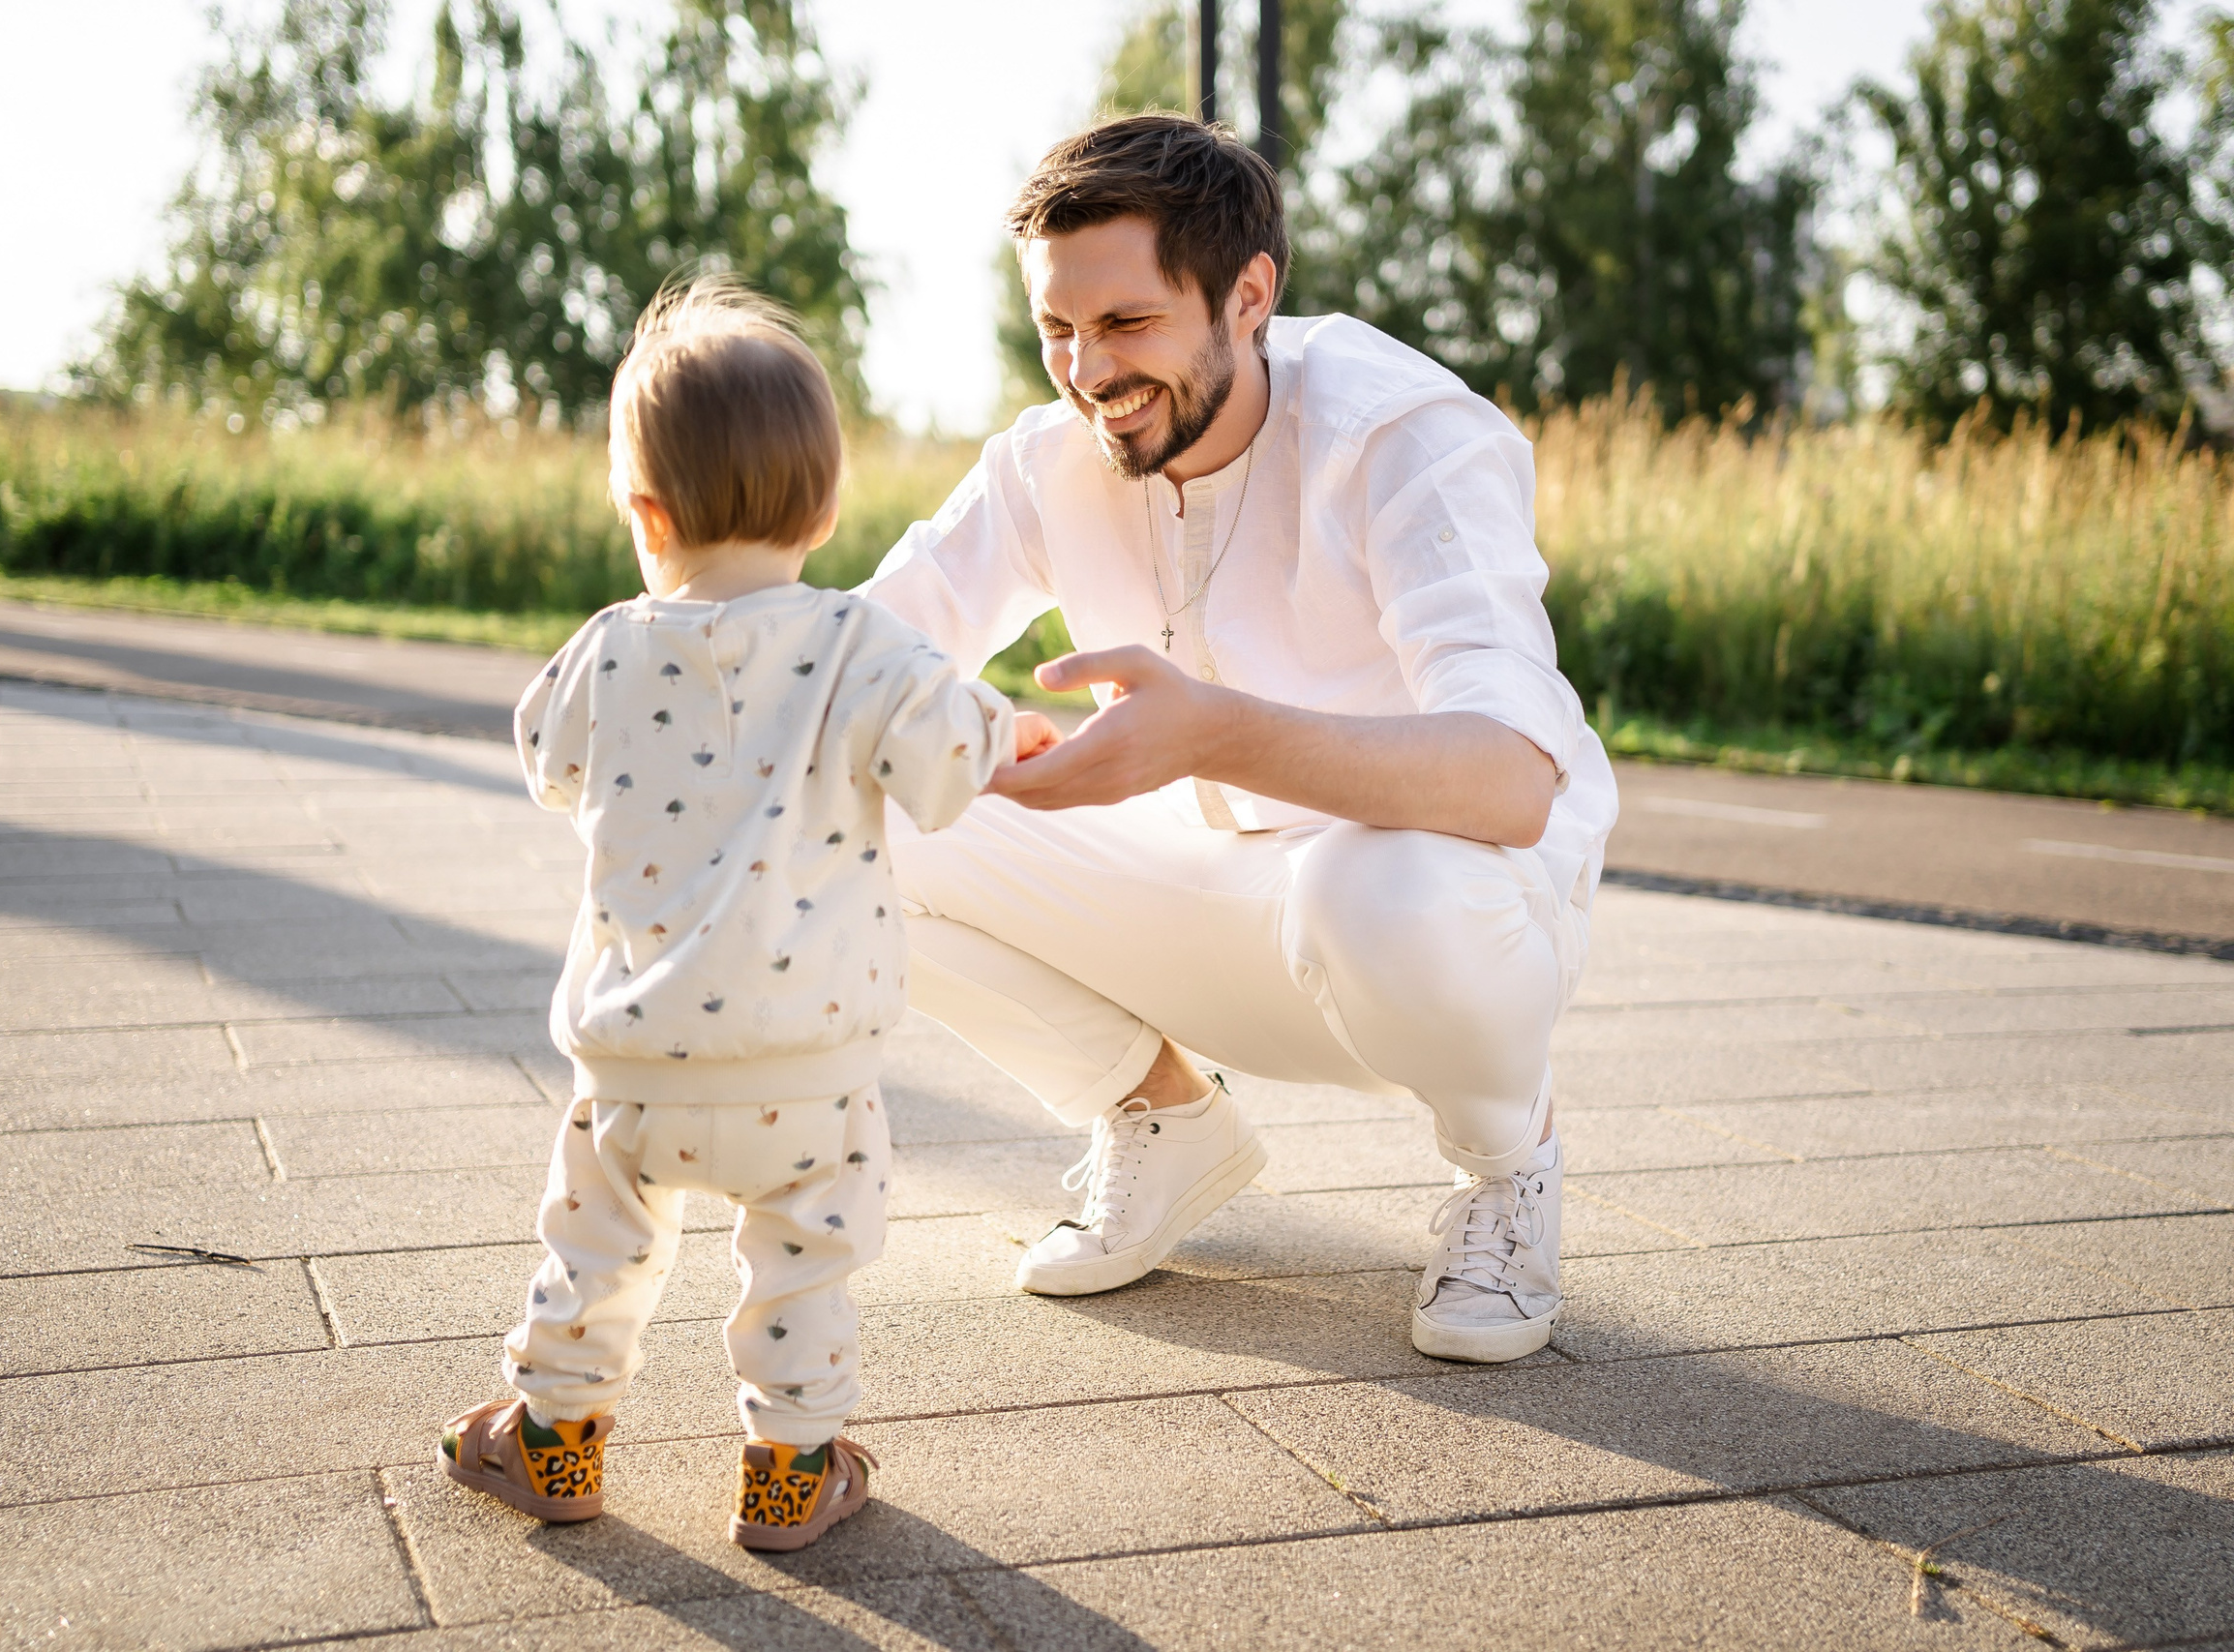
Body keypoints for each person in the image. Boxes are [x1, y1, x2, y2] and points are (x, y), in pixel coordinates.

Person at [860, 114, 1619, 1364]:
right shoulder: (1047, 459)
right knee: (863, 802)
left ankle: (1507, 1170)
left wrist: (1212, 733)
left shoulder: (1406, 433)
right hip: (1209, 906)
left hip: (1438, 927)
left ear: (1248, 295)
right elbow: (860, 660)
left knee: (1378, 876)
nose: (1086, 369)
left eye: (1126, 323)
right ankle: (1163, 1121)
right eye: (1058, 328)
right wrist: (669, 698)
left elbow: (1511, 779)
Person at [437, 278, 1016, 1550]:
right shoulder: (865, 646)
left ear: (645, 513)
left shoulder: (606, 647)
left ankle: (553, 1443)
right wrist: (996, 719)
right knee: (803, 1267)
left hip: (634, 1067)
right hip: (808, 1070)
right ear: (823, 507)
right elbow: (952, 764)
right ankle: (789, 1473)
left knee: (593, 1258)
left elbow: (545, 757)